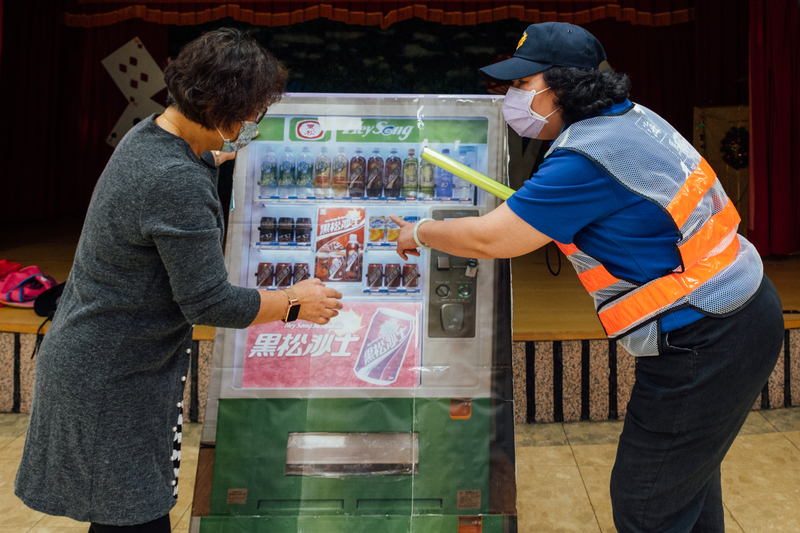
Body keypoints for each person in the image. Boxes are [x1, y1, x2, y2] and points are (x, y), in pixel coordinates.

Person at [392, 22, 784, 533]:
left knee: (646, 501)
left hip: (708, 335)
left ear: (563, 86)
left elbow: (494, 240)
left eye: (521, 86)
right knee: (683, 485)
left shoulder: (586, 157)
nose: (511, 98)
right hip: (738, 308)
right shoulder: (628, 119)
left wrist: (419, 232)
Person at [15, 28, 343, 533]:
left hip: (106, 357)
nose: (252, 128)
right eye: (252, 118)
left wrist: (212, 158)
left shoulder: (151, 136)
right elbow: (209, 303)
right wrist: (293, 301)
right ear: (220, 112)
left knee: (124, 516)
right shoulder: (174, 180)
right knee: (134, 519)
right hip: (112, 376)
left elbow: (176, 190)